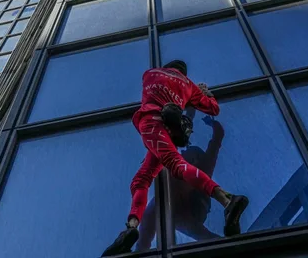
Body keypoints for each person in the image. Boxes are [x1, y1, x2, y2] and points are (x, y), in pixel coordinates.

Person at [101, 60, 248, 256]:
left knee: (171, 166)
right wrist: (204, 93)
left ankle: (228, 200)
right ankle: (131, 231)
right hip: (168, 131)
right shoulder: (189, 85)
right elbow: (214, 109)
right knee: (143, 178)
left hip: (152, 122)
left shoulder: (150, 73)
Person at [136, 113, 225, 249]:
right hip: (179, 206)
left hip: (190, 206)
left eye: (187, 152)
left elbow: (216, 141)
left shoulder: (201, 168)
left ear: (194, 158)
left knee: (199, 233)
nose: (183, 153)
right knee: (149, 222)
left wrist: (213, 125)